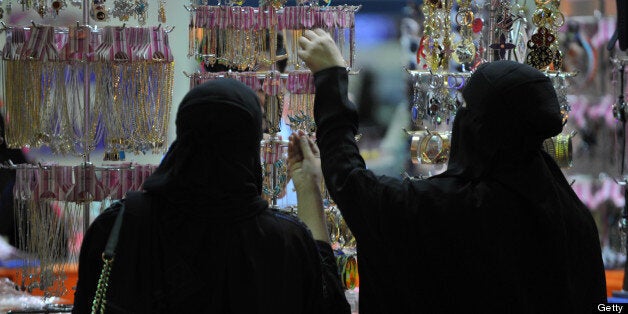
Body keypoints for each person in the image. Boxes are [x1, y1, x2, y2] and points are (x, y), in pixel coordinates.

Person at [297, 28, 607, 313]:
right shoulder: (572, 218)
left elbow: (352, 185)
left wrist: (331, 79)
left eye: (466, 109)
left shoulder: (451, 207)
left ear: (481, 127)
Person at [72, 78, 350, 313]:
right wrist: (308, 188)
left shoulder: (118, 226)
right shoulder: (284, 240)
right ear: (251, 145)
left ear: (182, 139)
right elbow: (330, 305)